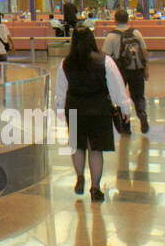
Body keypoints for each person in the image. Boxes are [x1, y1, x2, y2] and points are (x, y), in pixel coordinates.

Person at [55, 27, 132, 202]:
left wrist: (60, 109)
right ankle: (95, 188)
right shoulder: (105, 61)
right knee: (95, 149)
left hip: (74, 107)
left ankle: (80, 177)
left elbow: (60, 91)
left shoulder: (65, 63)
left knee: (77, 145)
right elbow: (117, 86)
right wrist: (125, 108)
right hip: (99, 108)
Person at [103, 9, 149, 133]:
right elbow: (144, 51)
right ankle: (142, 113)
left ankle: (126, 127)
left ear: (115, 20)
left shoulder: (112, 36)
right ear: (128, 19)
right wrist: (146, 69)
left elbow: (105, 56)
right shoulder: (136, 33)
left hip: (120, 71)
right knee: (138, 96)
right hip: (137, 69)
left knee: (120, 98)